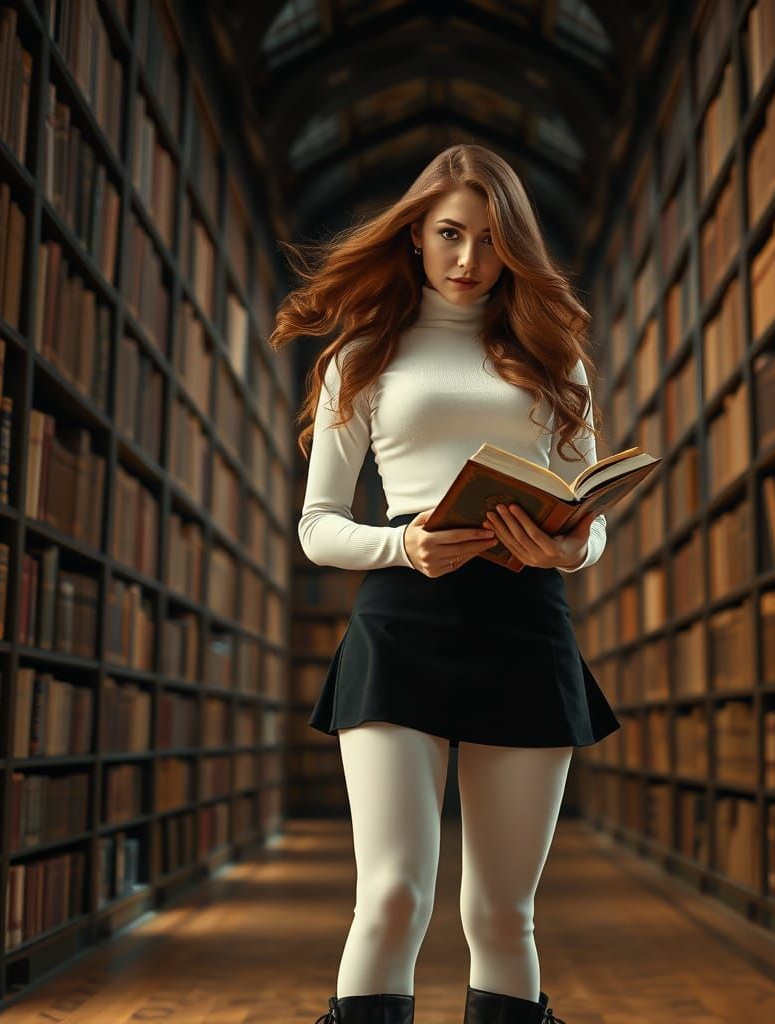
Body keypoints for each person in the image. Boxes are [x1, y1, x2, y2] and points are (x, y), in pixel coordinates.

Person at [270, 143, 620, 1024]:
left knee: (502, 913)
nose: (469, 261)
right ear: (415, 237)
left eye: (492, 241)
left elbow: (593, 513)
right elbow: (317, 527)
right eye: (450, 236)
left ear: (516, 250)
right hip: (402, 624)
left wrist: (566, 552)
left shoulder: (556, 358)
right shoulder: (362, 355)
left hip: (526, 622)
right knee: (391, 898)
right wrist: (402, 547)